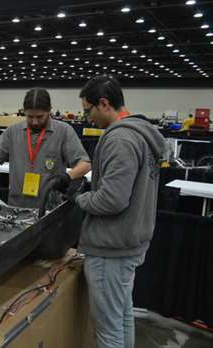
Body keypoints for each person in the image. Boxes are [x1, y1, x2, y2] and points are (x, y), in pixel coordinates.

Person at [73, 75, 167, 348]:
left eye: (87, 110)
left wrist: (80, 198)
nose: (87, 118)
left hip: (111, 247)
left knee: (108, 330)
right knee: (123, 316)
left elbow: (111, 201)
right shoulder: (141, 134)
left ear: (104, 104)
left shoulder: (120, 139)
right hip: (129, 242)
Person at [0, 87, 91, 209]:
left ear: (49, 110)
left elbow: (85, 164)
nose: (35, 122)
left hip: (49, 209)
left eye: (39, 117)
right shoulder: (12, 131)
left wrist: (67, 177)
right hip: (16, 207)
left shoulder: (63, 131)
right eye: (30, 117)